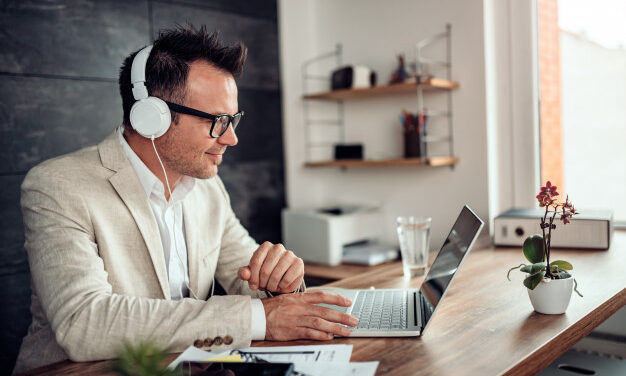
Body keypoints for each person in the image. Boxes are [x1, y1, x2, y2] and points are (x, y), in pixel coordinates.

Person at [13, 25, 357, 374]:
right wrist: (259, 317)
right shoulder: (58, 186)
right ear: (152, 117)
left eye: (233, 119)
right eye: (219, 121)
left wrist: (278, 283)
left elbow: (247, 276)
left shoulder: (207, 187)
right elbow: (84, 322)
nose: (231, 139)